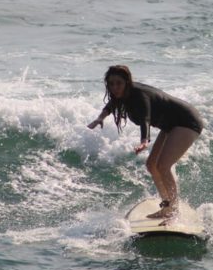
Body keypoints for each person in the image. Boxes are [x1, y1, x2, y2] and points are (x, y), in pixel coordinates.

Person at [87, 65, 203, 223]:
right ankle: (166, 206)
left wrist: (144, 141)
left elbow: (145, 119)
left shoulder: (140, 96)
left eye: (118, 83)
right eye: (111, 83)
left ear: (127, 82)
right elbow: (111, 105)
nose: (115, 87)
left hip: (187, 121)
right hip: (171, 125)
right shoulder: (122, 95)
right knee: (151, 165)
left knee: (163, 166)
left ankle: (174, 211)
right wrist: (100, 118)